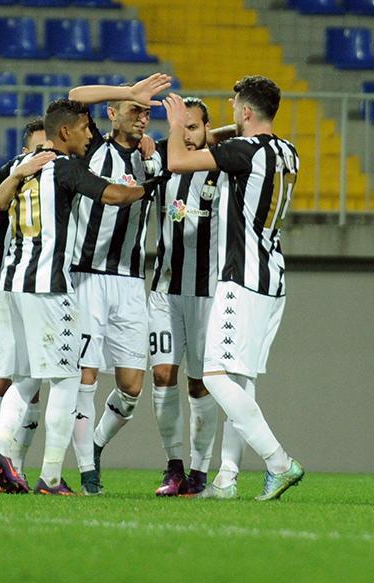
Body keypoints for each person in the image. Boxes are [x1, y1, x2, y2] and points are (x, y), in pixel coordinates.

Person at [0, 99, 150, 495]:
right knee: (67, 380)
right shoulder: (65, 168)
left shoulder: (19, 166)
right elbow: (113, 196)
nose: (88, 135)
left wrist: (18, 174)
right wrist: (149, 186)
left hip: (12, 284)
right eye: (82, 129)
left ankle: (1, 451)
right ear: (64, 132)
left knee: (26, 377)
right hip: (50, 286)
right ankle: (51, 477)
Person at [163, 76, 305, 501]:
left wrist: (177, 125)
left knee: (214, 375)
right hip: (272, 277)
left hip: (241, 277)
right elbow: (227, 140)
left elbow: (177, 161)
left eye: (235, 107)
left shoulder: (243, 151)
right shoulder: (287, 151)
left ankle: (279, 462)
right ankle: (226, 479)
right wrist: (224, 130)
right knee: (241, 379)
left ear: (245, 111)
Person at [66, 73, 171, 495]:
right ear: (112, 113)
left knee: (131, 388)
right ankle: (86, 473)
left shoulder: (154, 157)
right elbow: (75, 95)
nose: (142, 118)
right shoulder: (92, 146)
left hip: (129, 281)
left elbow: (204, 140)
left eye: (146, 112)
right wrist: (129, 90)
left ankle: (92, 444)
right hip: (87, 276)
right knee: (85, 377)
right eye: (134, 110)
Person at [148, 97, 233, 497]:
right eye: (181, 129)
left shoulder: (223, 168)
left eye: (194, 127)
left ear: (208, 129)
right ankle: (174, 466)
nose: (187, 136)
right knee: (163, 375)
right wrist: (173, 131)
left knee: (199, 384)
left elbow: (244, 137)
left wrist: (211, 138)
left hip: (206, 294)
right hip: (165, 291)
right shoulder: (162, 164)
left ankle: (200, 470)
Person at [0, 119, 48, 492]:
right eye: (38, 150)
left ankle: (14, 466)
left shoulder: (54, 182)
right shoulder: (13, 174)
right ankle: (1, 468)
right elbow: (2, 196)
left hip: (34, 290)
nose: (44, 157)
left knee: (31, 383)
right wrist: (25, 168)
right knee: (0, 379)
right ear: (24, 153)